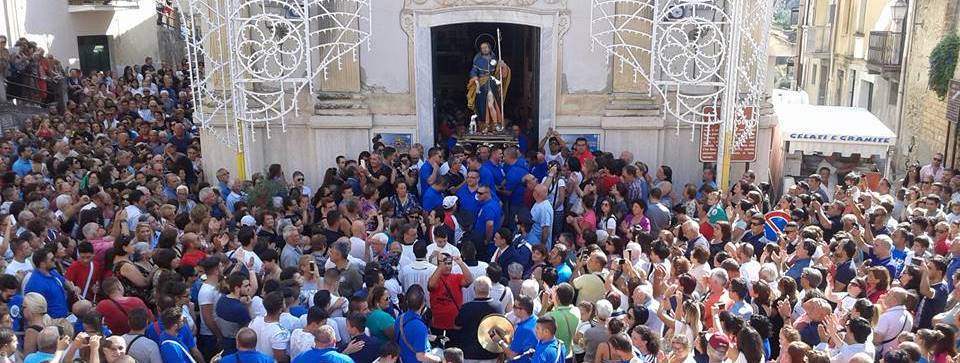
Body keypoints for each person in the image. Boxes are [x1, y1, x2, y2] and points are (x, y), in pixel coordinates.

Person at [454, 276, 501, 362]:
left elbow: (457, 326)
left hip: (469, 352)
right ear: (490, 289)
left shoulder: (466, 307)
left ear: (474, 289)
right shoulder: (497, 307)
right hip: (490, 353)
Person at [428, 253, 474, 337]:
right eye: (445, 263)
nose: (448, 266)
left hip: (454, 325)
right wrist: (440, 266)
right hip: (437, 325)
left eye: (449, 263)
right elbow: (431, 285)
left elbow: (469, 281)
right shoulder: (435, 277)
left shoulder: (456, 277)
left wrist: (461, 263)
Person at [394, 285, 440, 363]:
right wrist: (439, 359)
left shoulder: (400, 318)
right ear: (423, 303)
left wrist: (434, 338)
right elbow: (420, 356)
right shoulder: (420, 327)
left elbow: (410, 336)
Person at [247, 291, 290, 363]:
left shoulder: (254, 321)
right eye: (284, 303)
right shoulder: (280, 333)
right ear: (280, 309)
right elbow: (281, 359)